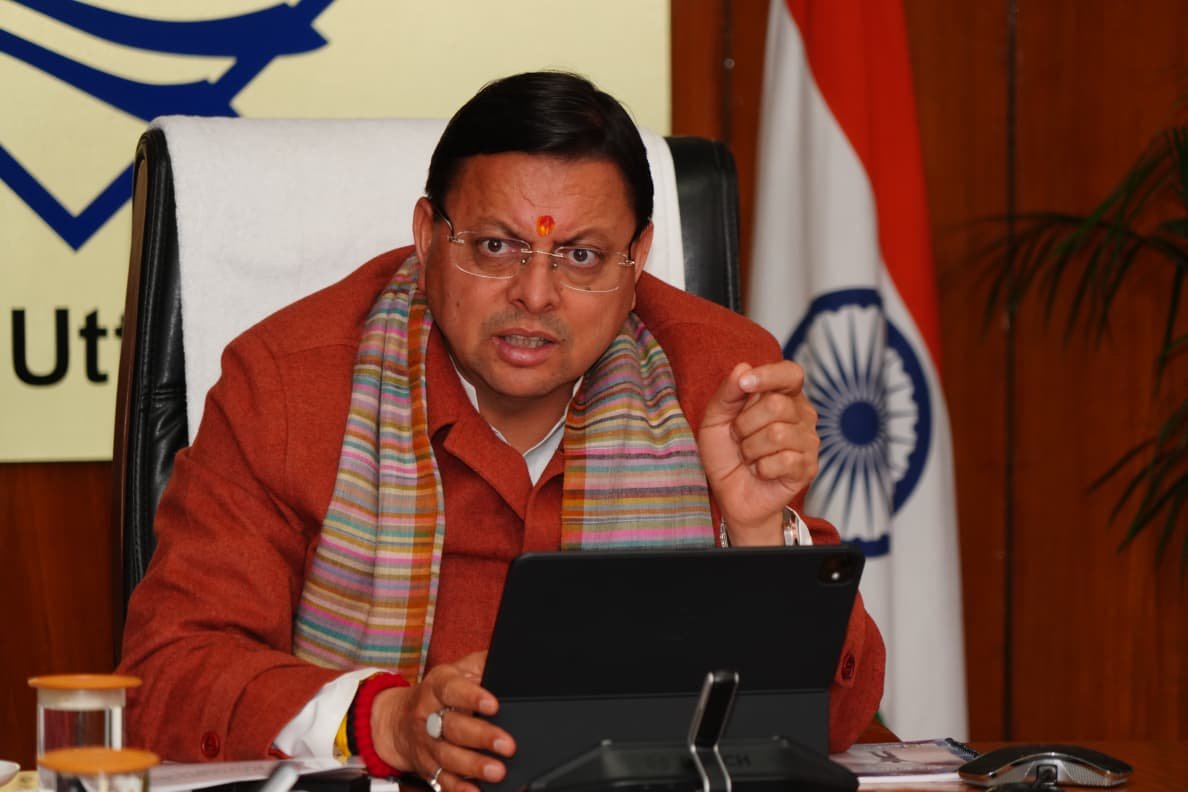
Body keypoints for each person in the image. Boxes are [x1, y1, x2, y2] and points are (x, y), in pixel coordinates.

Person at [118, 71, 885, 792]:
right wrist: (383, 720)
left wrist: (759, 536)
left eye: (580, 255)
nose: (536, 294)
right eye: (496, 246)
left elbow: (838, 719)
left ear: (637, 259)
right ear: (427, 236)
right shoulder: (290, 386)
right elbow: (170, 674)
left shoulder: (721, 378)